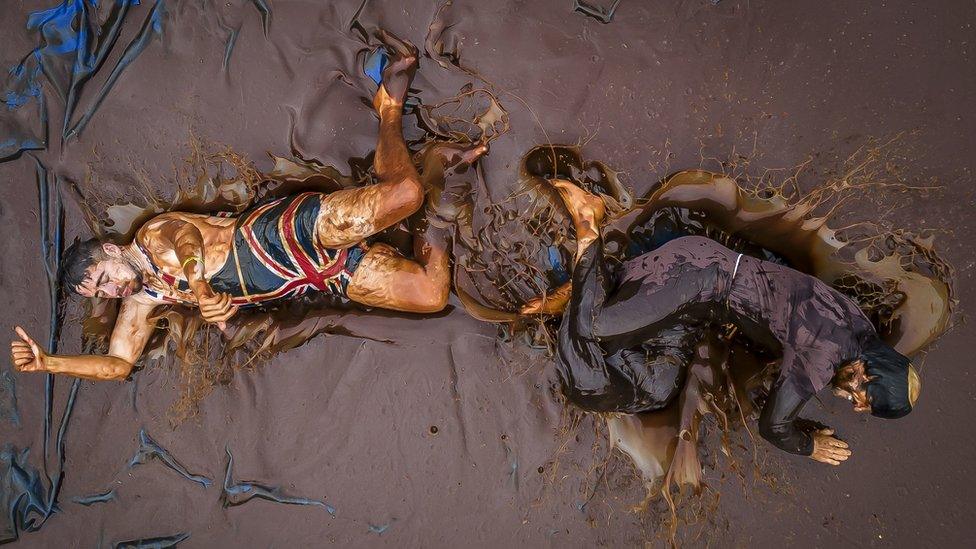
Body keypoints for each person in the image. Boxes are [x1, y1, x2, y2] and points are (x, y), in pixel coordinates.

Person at [9, 32, 485, 383]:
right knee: (430, 295)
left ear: (111, 251)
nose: (113, 290)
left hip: (289, 233)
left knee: (404, 196)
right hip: (320, 275)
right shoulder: (142, 301)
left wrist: (196, 283)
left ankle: (388, 110)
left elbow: (186, 238)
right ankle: (441, 215)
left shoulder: (150, 238)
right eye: (104, 293)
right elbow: (117, 366)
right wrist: (50, 362)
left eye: (104, 276)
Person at [525, 179, 921, 466]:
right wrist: (810, 446)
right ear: (866, 372)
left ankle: (588, 285)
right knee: (595, 329)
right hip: (694, 274)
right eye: (862, 400)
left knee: (658, 390)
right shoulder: (823, 355)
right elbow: (774, 427)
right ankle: (588, 225)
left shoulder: (859, 332)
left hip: (697, 306)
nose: (854, 407)